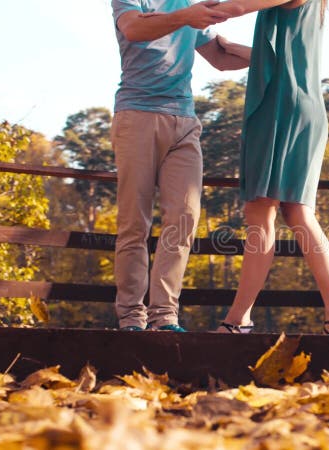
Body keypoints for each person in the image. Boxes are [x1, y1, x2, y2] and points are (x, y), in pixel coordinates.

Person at [209, 0, 329, 335]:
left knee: (260, 212)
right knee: (297, 212)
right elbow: (283, 59)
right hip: (304, 106)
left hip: (280, 108)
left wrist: (187, 15)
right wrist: (239, 49)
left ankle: (238, 319)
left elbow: (237, 6)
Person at [111, 0, 251, 332]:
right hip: (137, 116)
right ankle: (131, 317)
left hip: (185, 121)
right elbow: (134, 29)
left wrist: (273, 57)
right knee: (134, 222)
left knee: (184, 218)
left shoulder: (187, 4)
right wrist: (185, 17)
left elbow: (219, 56)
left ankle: (164, 315)